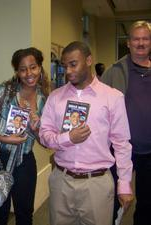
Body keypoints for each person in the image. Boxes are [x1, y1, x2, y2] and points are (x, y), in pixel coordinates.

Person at [39, 41, 133, 225]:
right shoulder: (55, 97)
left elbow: (122, 143)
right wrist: (68, 138)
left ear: (89, 60)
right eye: (65, 66)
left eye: (73, 64)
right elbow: (44, 135)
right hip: (61, 180)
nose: (68, 71)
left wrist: (124, 184)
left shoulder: (112, 97)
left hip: (96, 183)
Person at [0, 47, 50, 225]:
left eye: (33, 67)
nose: (29, 73)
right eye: (23, 69)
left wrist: (36, 126)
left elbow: (44, 142)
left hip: (25, 161)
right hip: (0, 158)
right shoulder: (4, 91)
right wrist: (2, 138)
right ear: (17, 72)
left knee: (25, 213)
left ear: (40, 68)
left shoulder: (44, 100)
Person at [102, 20, 151, 225]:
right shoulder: (114, 71)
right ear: (128, 43)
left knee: (148, 204)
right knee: (112, 200)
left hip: (150, 153)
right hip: (120, 149)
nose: (141, 43)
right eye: (136, 38)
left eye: (145, 38)